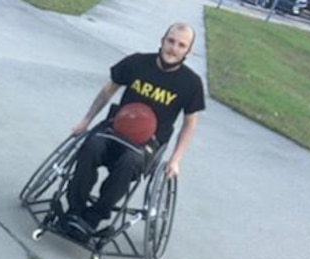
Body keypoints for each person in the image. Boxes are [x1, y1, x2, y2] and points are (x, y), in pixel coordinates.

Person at [62, 22, 205, 238]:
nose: (173, 48)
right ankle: (75, 210)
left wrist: (176, 159)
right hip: (115, 129)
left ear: (188, 51)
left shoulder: (191, 83)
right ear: (162, 40)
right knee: (91, 145)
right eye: (171, 41)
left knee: (129, 161)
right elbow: (106, 92)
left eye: (181, 45)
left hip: (148, 143)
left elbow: (189, 124)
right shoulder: (137, 62)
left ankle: (92, 219)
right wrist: (86, 120)